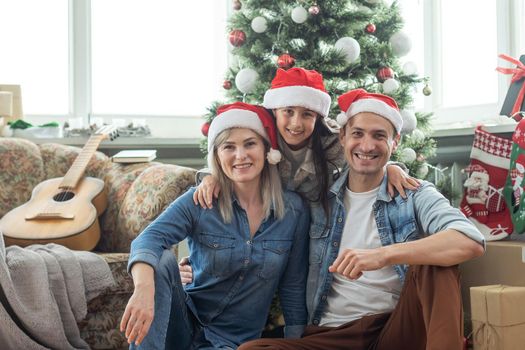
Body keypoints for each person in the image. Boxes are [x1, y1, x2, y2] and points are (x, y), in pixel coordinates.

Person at [237, 89, 486, 350]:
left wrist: (383, 255)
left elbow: (470, 240)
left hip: (396, 329)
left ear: (395, 142)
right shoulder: (317, 197)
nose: (367, 146)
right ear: (342, 137)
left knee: (434, 263)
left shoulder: (413, 193)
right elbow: (252, 194)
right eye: (357, 134)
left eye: (379, 136)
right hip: (332, 334)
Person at [120, 102, 310, 349]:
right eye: (229, 147)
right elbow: (148, 240)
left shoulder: (293, 211)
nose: (240, 156)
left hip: (233, 341)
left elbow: (293, 286)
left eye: (250, 144)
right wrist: (143, 290)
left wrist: (297, 344)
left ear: (266, 150)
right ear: (218, 157)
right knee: (163, 259)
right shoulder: (200, 201)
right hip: (181, 324)